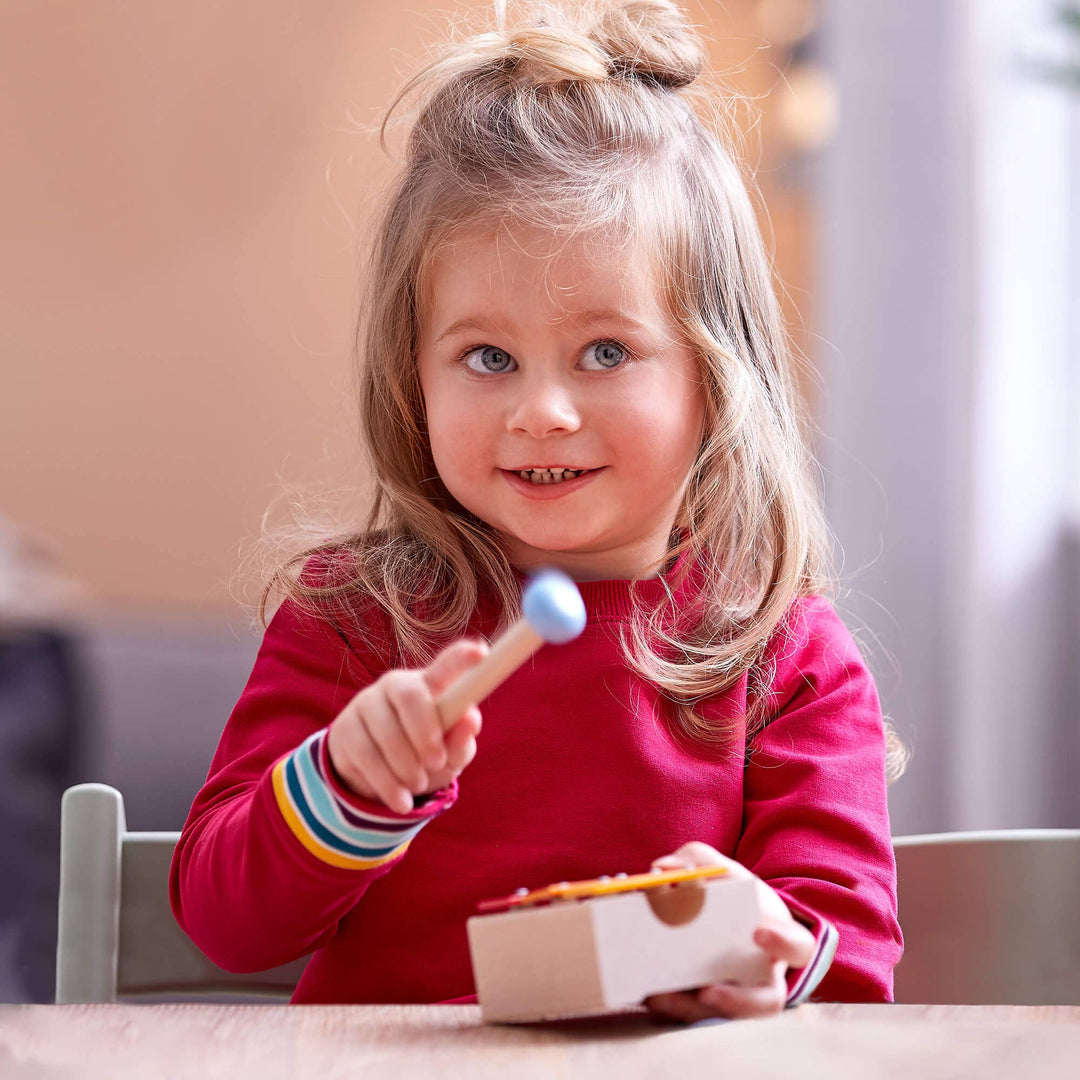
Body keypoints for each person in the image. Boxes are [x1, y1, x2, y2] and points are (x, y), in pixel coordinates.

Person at [170, 0, 904, 1021]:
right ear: (411, 379)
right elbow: (222, 924)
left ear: (713, 378)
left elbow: (852, 970)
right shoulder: (353, 623)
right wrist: (346, 784)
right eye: (487, 357)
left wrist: (766, 953)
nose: (543, 413)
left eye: (605, 352)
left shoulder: (787, 660)